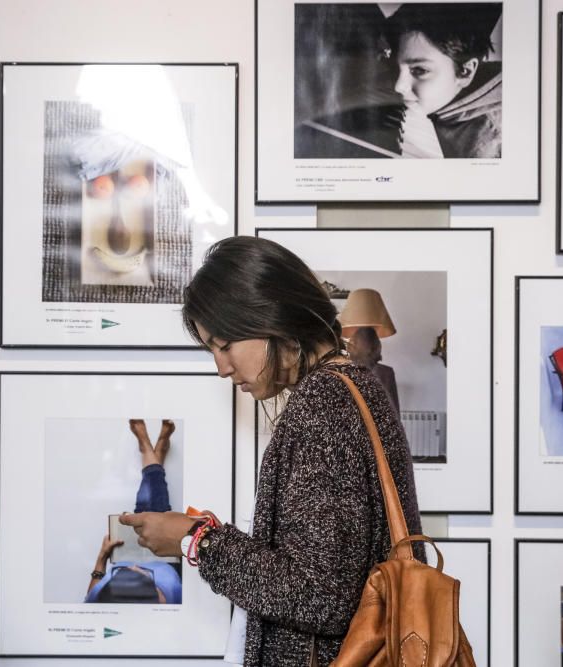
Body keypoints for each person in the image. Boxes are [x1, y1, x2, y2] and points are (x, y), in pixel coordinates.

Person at [120, 236, 422, 666]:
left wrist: (196, 540)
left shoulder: (324, 404)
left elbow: (319, 596)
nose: (221, 367)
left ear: (273, 319)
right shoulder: (353, 386)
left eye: (225, 345)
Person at [381, 3, 503, 158]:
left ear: (466, 72)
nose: (398, 86)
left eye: (419, 70)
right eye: (394, 66)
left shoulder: (487, 147)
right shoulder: (445, 92)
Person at [85, 419, 181, 604]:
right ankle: (151, 451)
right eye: (143, 573)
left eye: (127, 571)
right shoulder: (173, 593)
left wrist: (102, 556)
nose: (136, 566)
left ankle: (155, 454)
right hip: (164, 555)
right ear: (159, 597)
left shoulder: (101, 603)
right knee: (153, 511)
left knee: (144, 510)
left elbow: (91, 597)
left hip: (125, 551)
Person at [346, 325, 401, 415]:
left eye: (354, 342)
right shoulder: (347, 371)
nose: (349, 346)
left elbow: (394, 410)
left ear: (368, 346)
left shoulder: (384, 373)